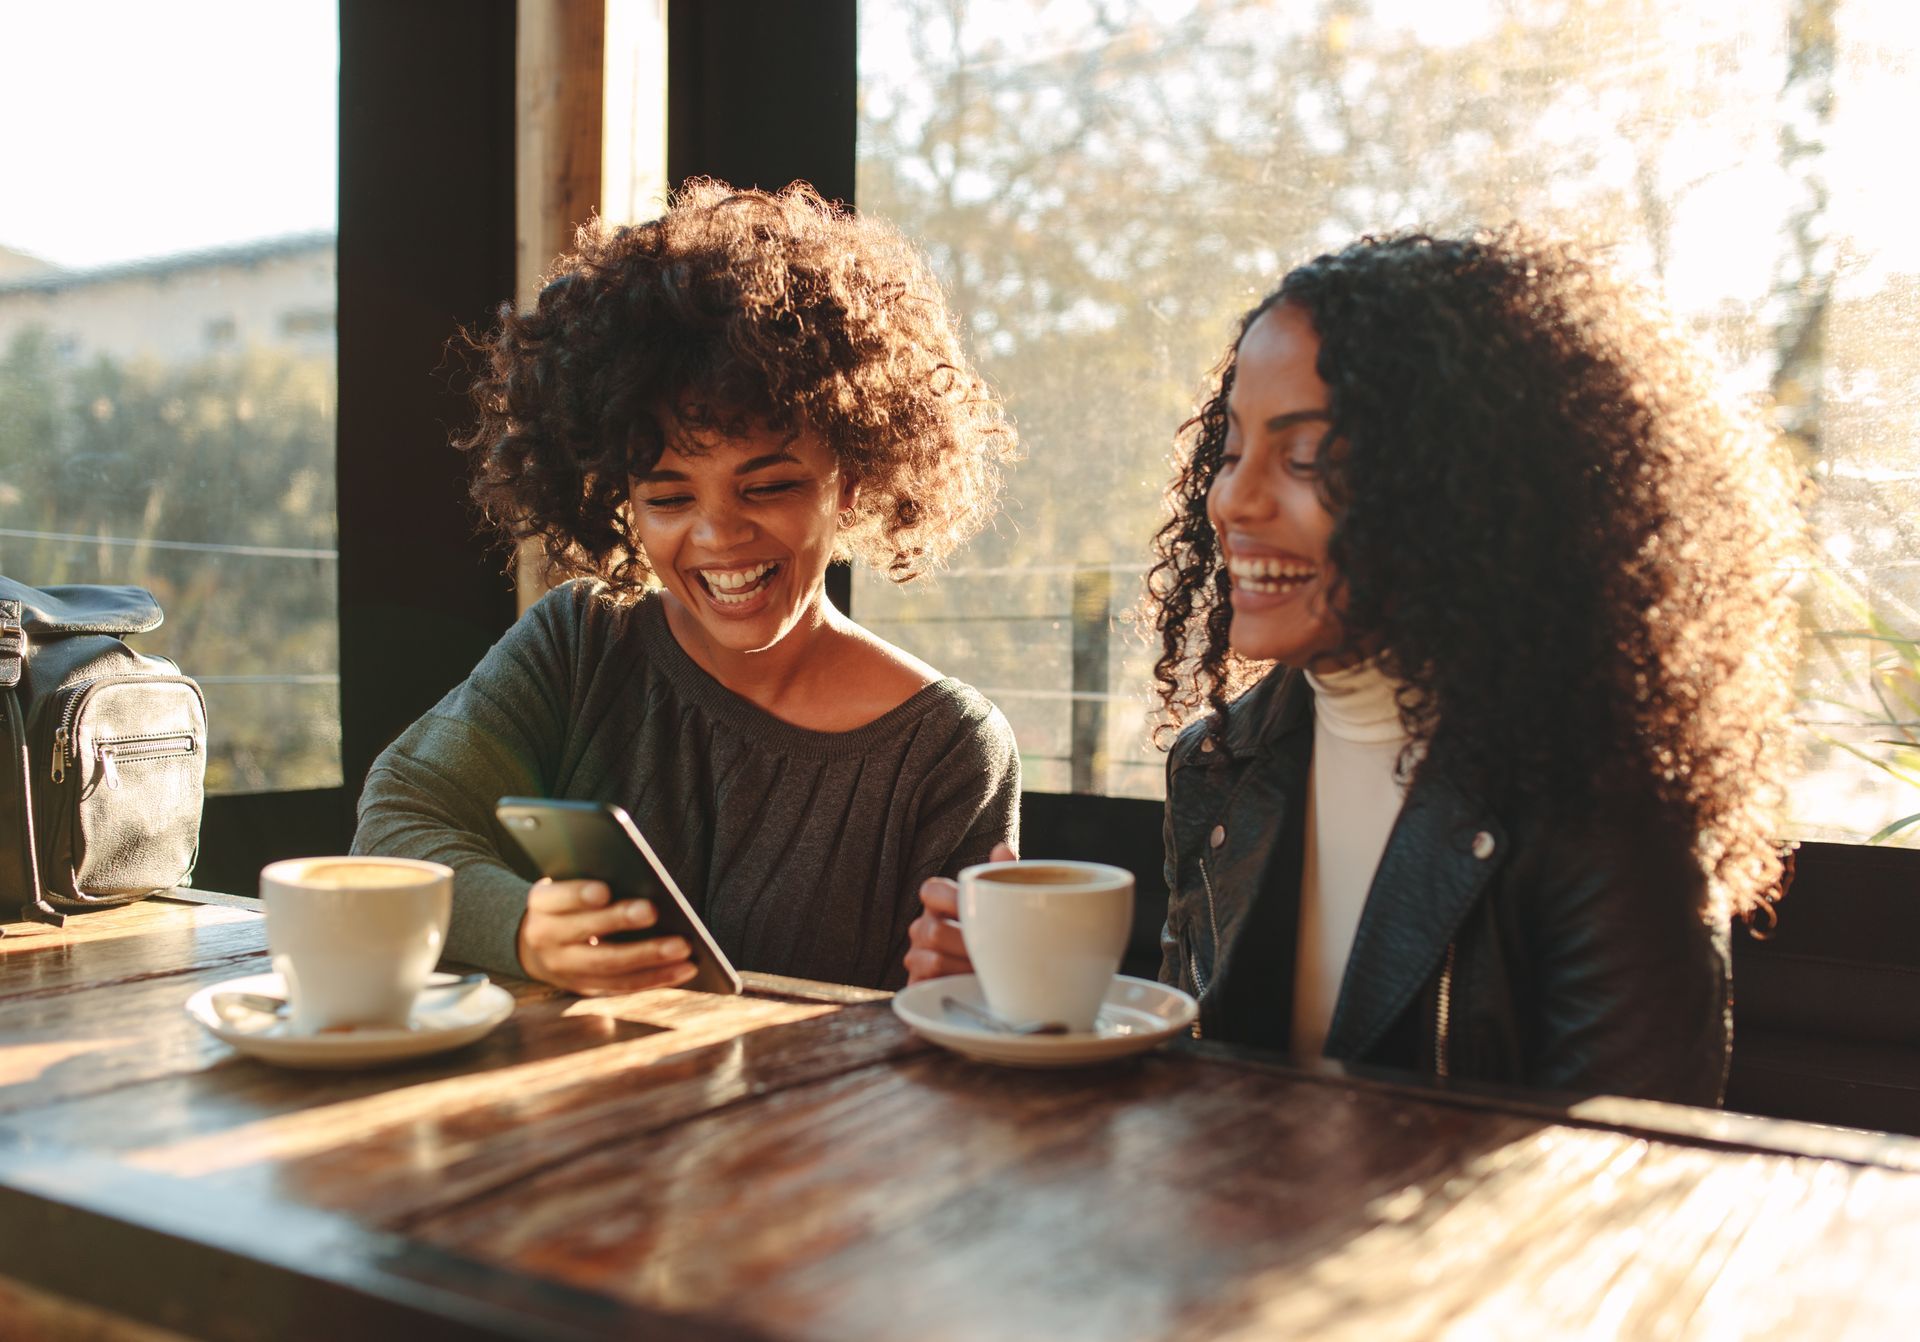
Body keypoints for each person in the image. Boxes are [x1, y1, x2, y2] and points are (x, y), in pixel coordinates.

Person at [909, 229, 1801, 1105]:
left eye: (1305, 458)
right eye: (1228, 452)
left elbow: (1622, 1190)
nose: (1233, 498)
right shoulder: (1218, 768)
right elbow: (1202, 1103)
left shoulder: (1604, 804)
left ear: (1465, 488)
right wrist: (1023, 1009)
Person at [355, 180, 1021, 995]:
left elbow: (955, 1023)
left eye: (769, 486)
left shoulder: (946, 749)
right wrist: (523, 928)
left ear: (848, 482)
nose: (717, 537)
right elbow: (397, 824)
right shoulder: (581, 645)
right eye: (669, 498)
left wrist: (978, 988)